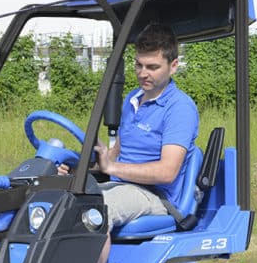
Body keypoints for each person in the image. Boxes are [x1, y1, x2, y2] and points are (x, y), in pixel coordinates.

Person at [59, 23, 199, 229]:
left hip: (156, 195)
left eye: (153, 67)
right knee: (59, 201)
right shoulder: (132, 99)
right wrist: (77, 168)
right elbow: (116, 155)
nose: (143, 74)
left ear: (174, 66)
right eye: (138, 65)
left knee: (95, 212)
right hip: (120, 186)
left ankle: (91, 262)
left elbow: (167, 172)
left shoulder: (180, 108)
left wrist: (113, 167)